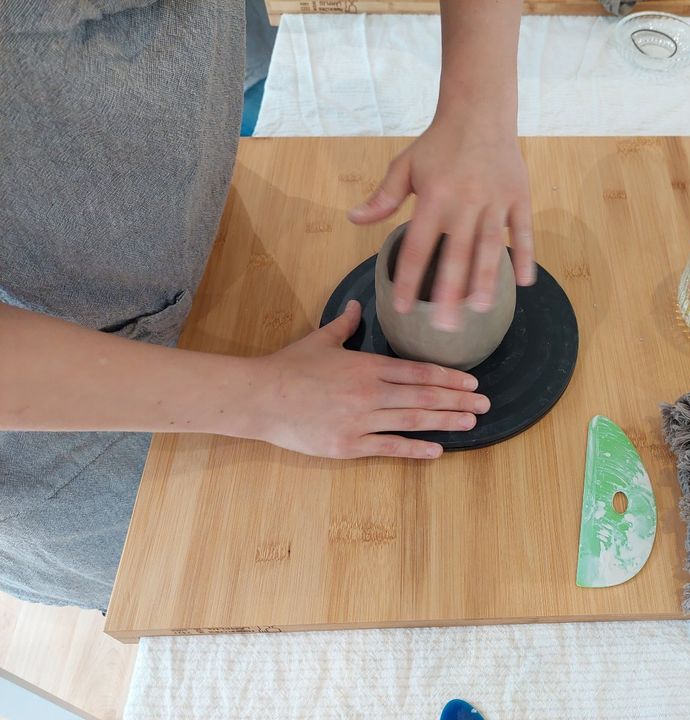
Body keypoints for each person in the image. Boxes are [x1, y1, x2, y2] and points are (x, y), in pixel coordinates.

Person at [0, 1, 534, 610]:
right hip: (63, 406)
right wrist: (268, 400)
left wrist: (478, 112)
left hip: (190, 222)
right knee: (268, 590)